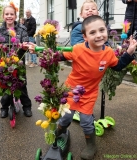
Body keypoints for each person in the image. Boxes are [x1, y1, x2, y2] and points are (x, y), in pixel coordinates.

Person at [28, 15, 137, 160]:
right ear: (85, 37)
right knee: (66, 117)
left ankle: (91, 144)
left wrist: (129, 52)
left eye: (101, 30)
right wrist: (38, 50)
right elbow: (57, 56)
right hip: (71, 90)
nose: (98, 35)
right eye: (93, 33)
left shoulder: (108, 53)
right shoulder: (77, 49)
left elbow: (118, 66)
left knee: (86, 121)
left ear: (106, 31)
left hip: (89, 93)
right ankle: (59, 132)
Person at [0, 2, 32, 118]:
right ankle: (4, 107)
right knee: (4, 85)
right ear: (3, 16)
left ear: (15, 16)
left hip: (18, 62)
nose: (9, 16)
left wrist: (25, 46)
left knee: (22, 84)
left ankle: (27, 107)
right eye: (7, 14)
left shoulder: (22, 29)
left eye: (12, 14)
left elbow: (26, 45)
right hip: (4, 63)